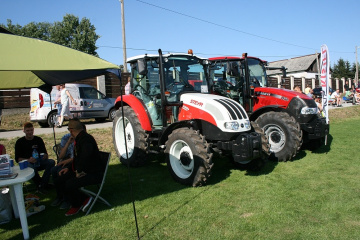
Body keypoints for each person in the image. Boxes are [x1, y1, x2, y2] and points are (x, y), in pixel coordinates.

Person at [54, 119, 104, 216]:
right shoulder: (79, 138)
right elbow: (77, 158)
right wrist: (69, 168)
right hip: (83, 170)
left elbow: (86, 157)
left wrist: (79, 171)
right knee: (59, 180)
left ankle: (78, 204)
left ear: (71, 130)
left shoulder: (86, 139)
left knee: (69, 183)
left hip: (93, 172)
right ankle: (81, 199)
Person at [51, 124, 86, 209]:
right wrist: (68, 143)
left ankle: (67, 199)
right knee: (54, 170)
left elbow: (80, 157)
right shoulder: (67, 138)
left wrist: (69, 161)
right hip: (68, 161)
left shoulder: (83, 140)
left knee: (62, 175)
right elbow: (61, 156)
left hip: (75, 163)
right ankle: (60, 196)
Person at [15, 122, 55, 190]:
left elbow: (45, 153)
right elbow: (18, 159)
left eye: (31, 130)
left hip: (38, 160)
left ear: (33, 130)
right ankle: (40, 184)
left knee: (51, 162)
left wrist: (45, 156)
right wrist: (28, 160)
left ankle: (43, 183)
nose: (30, 132)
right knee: (31, 166)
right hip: (27, 162)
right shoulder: (20, 142)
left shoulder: (38, 139)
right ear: (24, 131)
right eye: (27, 130)